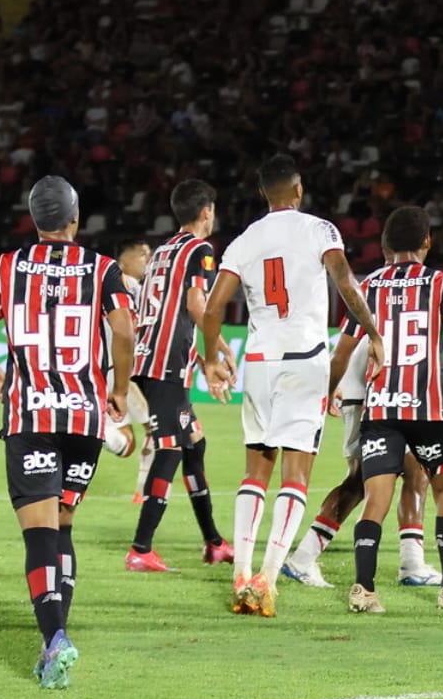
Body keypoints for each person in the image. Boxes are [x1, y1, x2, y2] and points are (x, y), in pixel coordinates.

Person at [0, 176, 136, 688]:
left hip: (31, 414)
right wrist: (119, 391)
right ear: (76, 219)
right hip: (84, 416)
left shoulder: (7, 267)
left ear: (34, 219)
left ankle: (55, 637)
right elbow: (123, 330)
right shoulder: (103, 269)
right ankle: (51, 639)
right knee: (63, 524)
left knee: (39, 533)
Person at [201, 154, 385, 618]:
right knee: (295, 476)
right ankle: (266, 578)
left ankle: (240, 574)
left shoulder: (244, 240)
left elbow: (212, 308)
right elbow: (345, 282)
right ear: (298, 191)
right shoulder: (319, 230)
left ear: (265, 194)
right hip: (304, 361)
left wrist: (210, 358)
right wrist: (375, 333)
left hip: (259, 362)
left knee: (254, 473)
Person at [327, 206, 443, 614]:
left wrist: (330, 390)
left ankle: (363, 589)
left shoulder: (368, 285)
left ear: (385, 244)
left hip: (382, 407)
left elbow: (343, 349)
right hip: (430, 410)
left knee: (376, 498)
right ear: (427, 242)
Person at [124, 181, 236, 572]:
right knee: (170, 448)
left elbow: (181, 306)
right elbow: (195, 303)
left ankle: (214, 542)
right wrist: (210, 358)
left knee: (193, 446)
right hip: (167, 362)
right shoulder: (200, 250)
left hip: (150, 356)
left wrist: (214, 343)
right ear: (207, 210)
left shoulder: (163, 250)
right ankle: (141, 549)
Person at [280, 333, 435, 589]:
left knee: (365, 480)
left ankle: (303, 558)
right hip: (376, 390)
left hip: (371, 387)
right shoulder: (397, 297)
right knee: (403, 472)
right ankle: (412, 564)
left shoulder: (372, 296)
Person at [101, 238, 151, 485]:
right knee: (143, 435)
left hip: (96, 364)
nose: (147, 260)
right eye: (141, 254)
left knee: (126, 442)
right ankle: (93, 431)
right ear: (124, 260)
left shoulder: (101, 281)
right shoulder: (130, 287)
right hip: (114, 368)